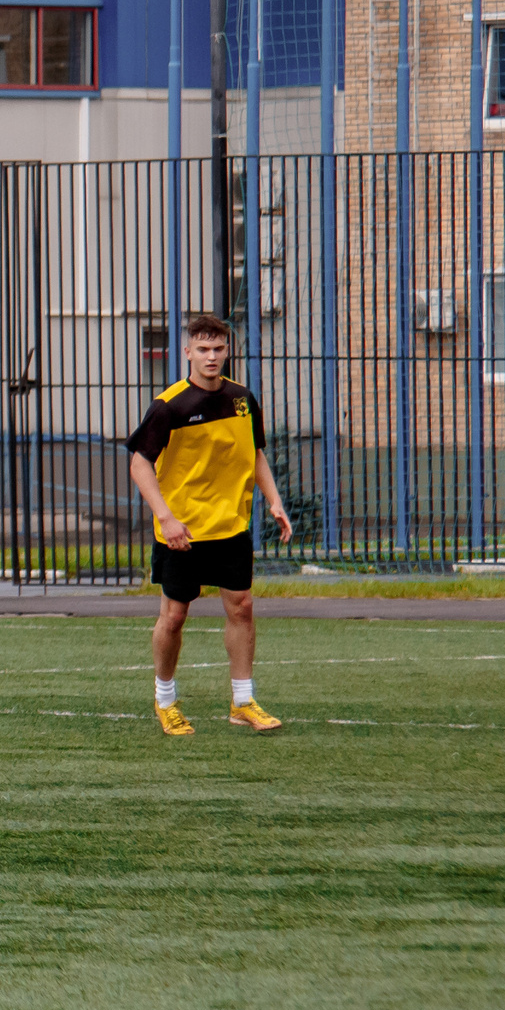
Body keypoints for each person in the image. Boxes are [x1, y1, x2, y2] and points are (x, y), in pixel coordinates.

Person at [127, 312, 293, 737]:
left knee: (243, 606)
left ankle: (243, 701)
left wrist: (275, 502)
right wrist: (166, 515)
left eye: (219, 348)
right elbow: (139, 463)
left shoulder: (242, 399)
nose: (212, 356)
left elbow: (254, 454)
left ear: (228, 350)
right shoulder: (169, 406)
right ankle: (166, 700)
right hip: (182, 531)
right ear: (187, 353)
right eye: (203, 349)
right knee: (175, 615)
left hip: (230, 528)